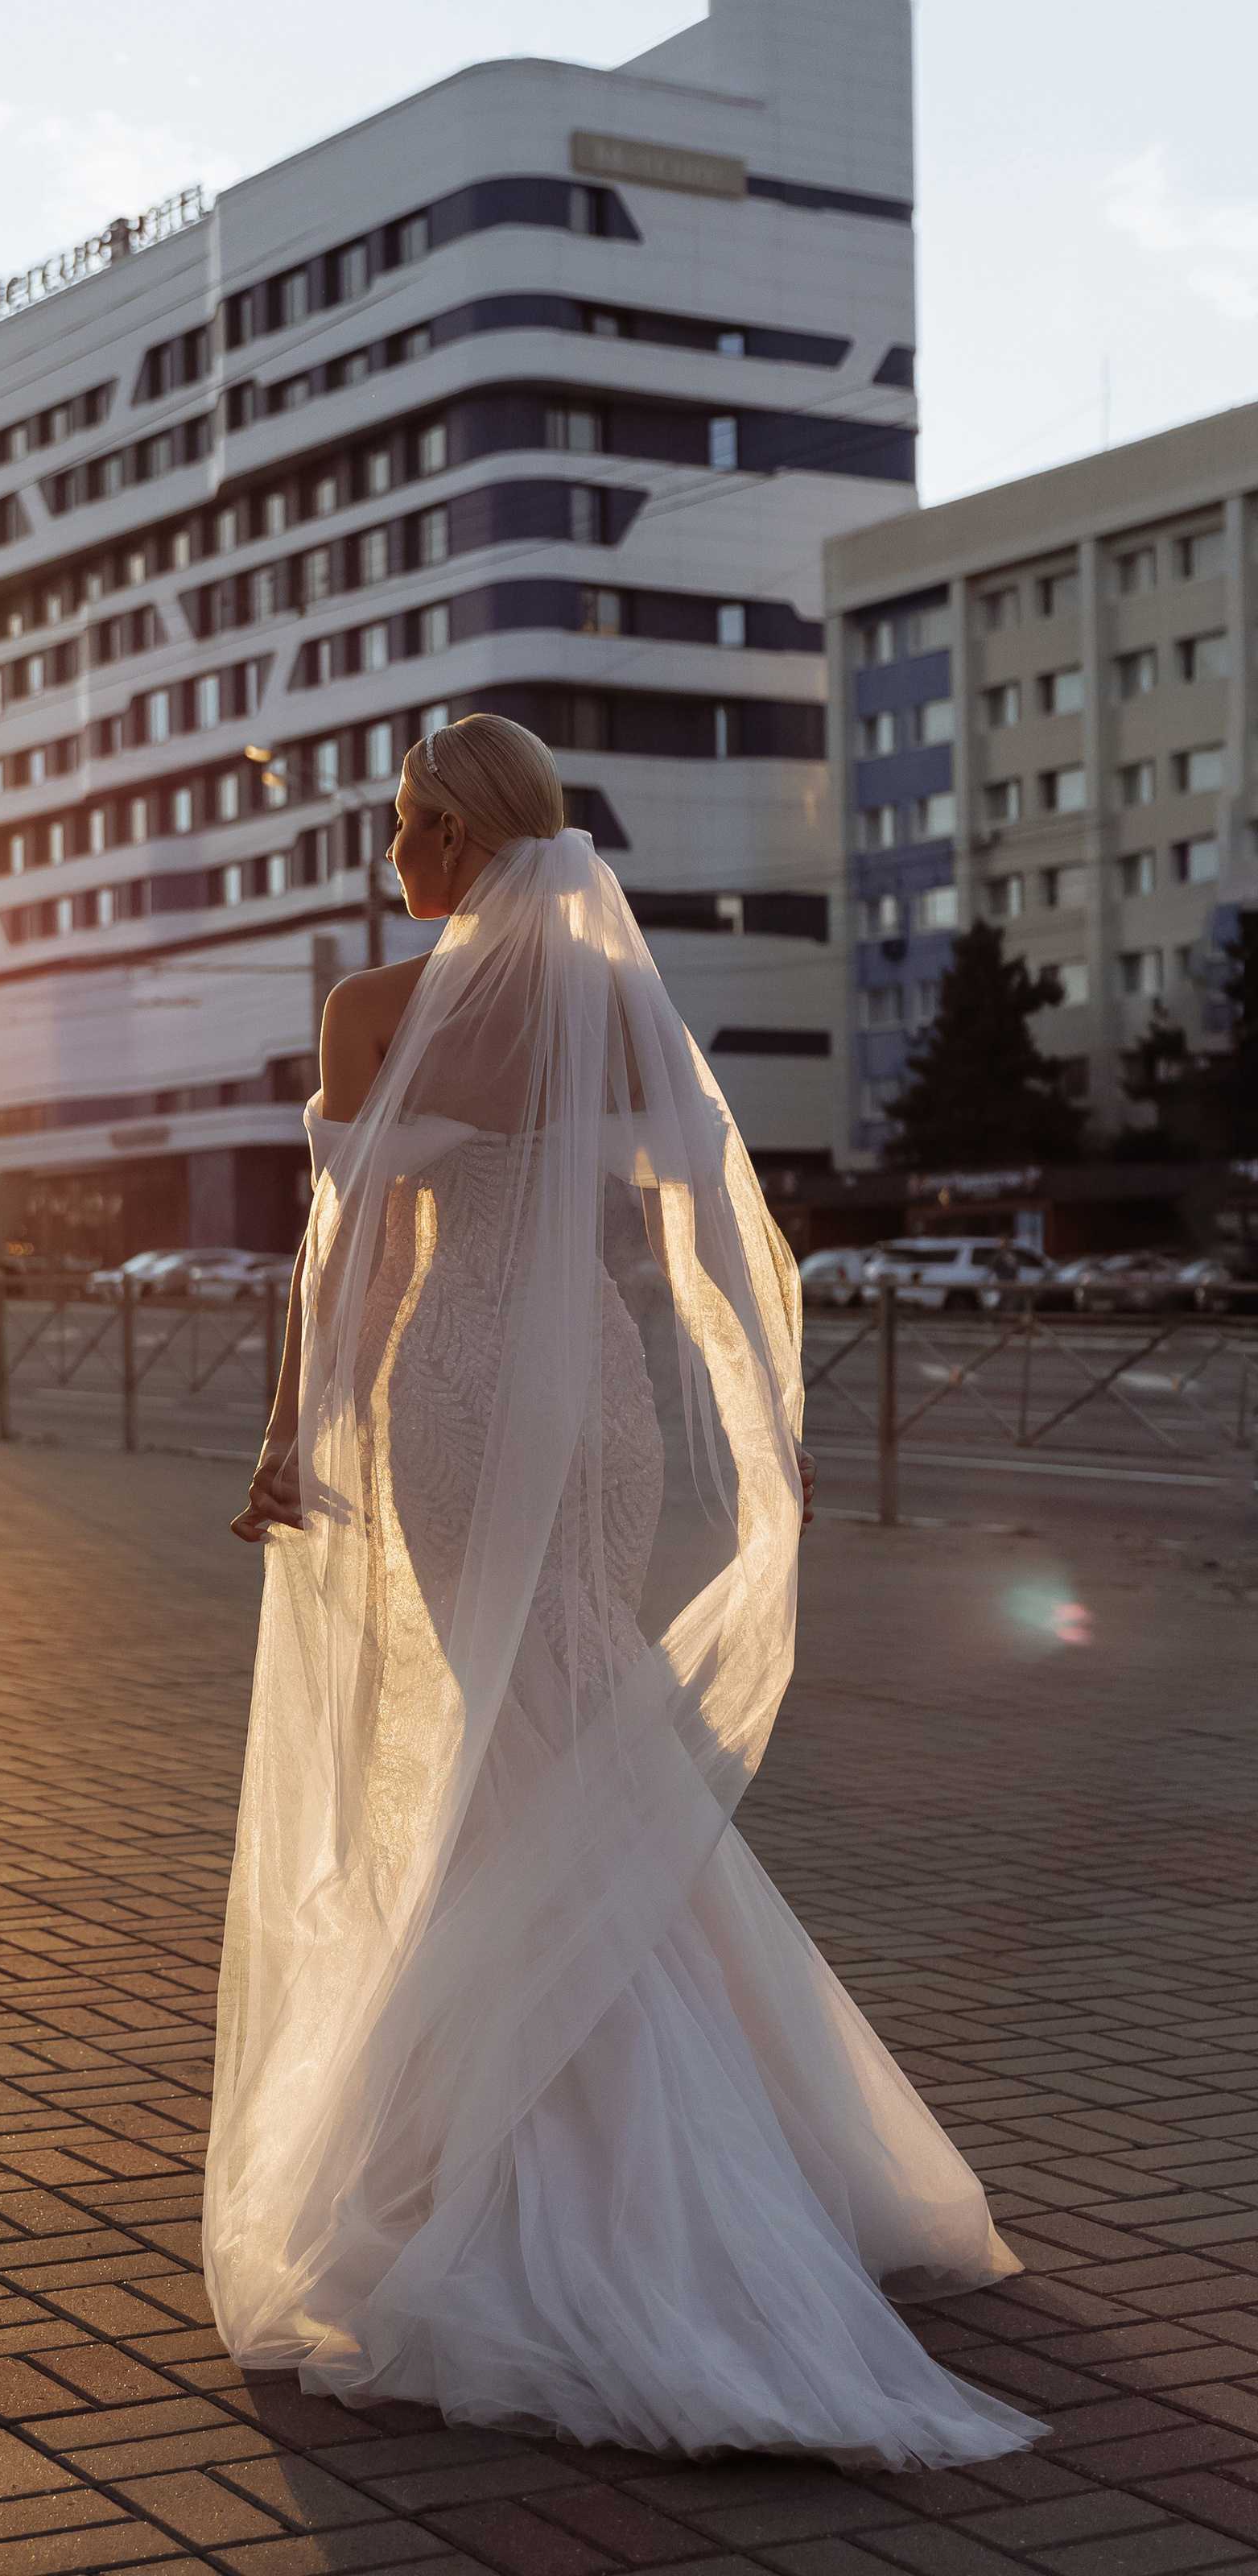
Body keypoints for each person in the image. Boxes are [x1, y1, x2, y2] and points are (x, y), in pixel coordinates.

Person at [204, 714, 1041, 2468]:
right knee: (574, 1731)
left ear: (436, 832)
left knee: (527, 1742)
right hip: (588, 1394)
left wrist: (291, 1436)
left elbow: (343, 1259)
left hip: (453, 1395)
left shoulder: (376, 1006)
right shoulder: (618, 1002)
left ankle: (563, 2177)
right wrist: (764, 1428)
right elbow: (717, 1225)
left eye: (400, 824)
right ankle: (755, 2137)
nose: (394, 852)